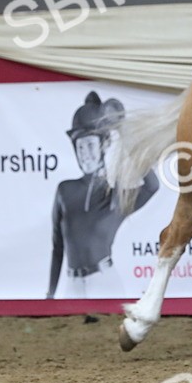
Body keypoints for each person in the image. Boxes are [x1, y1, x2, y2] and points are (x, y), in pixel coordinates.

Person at [48, 91, 159, 300]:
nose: (85, 153)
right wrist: (50, 296)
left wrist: (123, 133)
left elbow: (152, 186)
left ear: (104, 145)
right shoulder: (65, 190)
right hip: (72, 286)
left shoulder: (115, 194)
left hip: (104, 282)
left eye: (90, 145)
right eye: (80, 147)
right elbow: (57, 247)